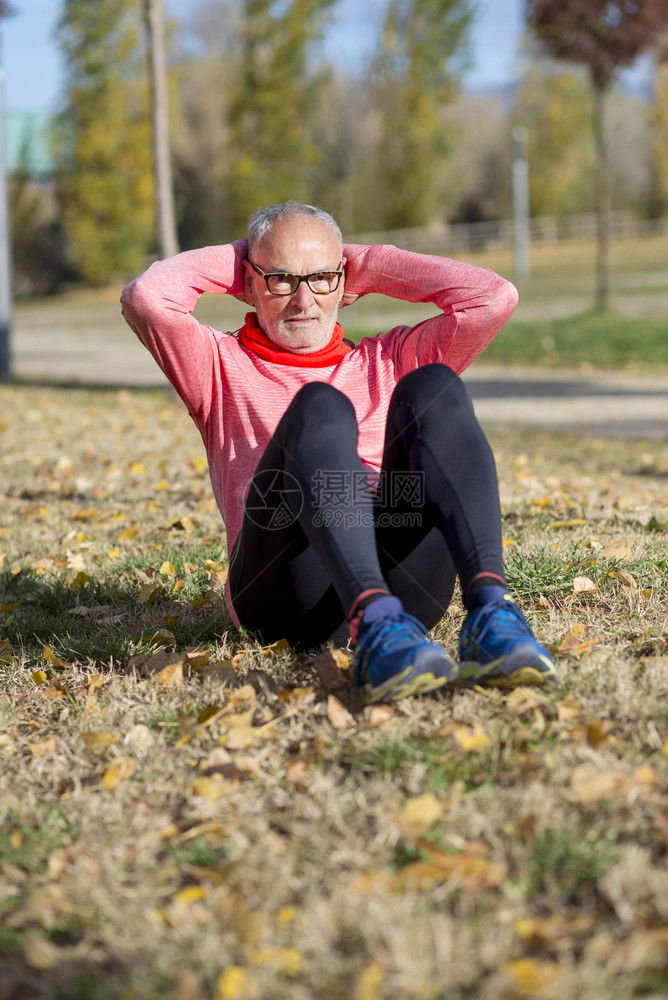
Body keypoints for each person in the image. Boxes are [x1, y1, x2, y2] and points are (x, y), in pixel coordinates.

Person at [121, 200, 554, 703]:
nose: (303, 300)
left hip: (405, 583)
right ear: (249, 283)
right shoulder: (217, 364)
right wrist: (248, 264)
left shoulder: (389, 359)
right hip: (285, 592)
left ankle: (490, 613)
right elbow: (148, 297)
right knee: (320, 405)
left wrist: (366, 264)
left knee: (434, 384)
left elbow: (492, 298)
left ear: (344, 286)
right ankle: (374, 622)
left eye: (322, 278)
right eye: (281, 279)